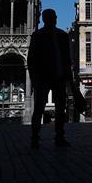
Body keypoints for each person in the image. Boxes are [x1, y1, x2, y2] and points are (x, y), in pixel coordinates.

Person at [27, 9, 73, 149]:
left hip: (58, 77)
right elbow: (31, 60)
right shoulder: (38, 36)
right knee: (39, 108)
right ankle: (35, 138)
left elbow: (67, 60)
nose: (53, 20)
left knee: (59, 109)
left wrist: (68, 79)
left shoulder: (62, 36)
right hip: (43, 78)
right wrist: (35, 79)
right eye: (51, 18)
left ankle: (59, 137)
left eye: (53, 17)